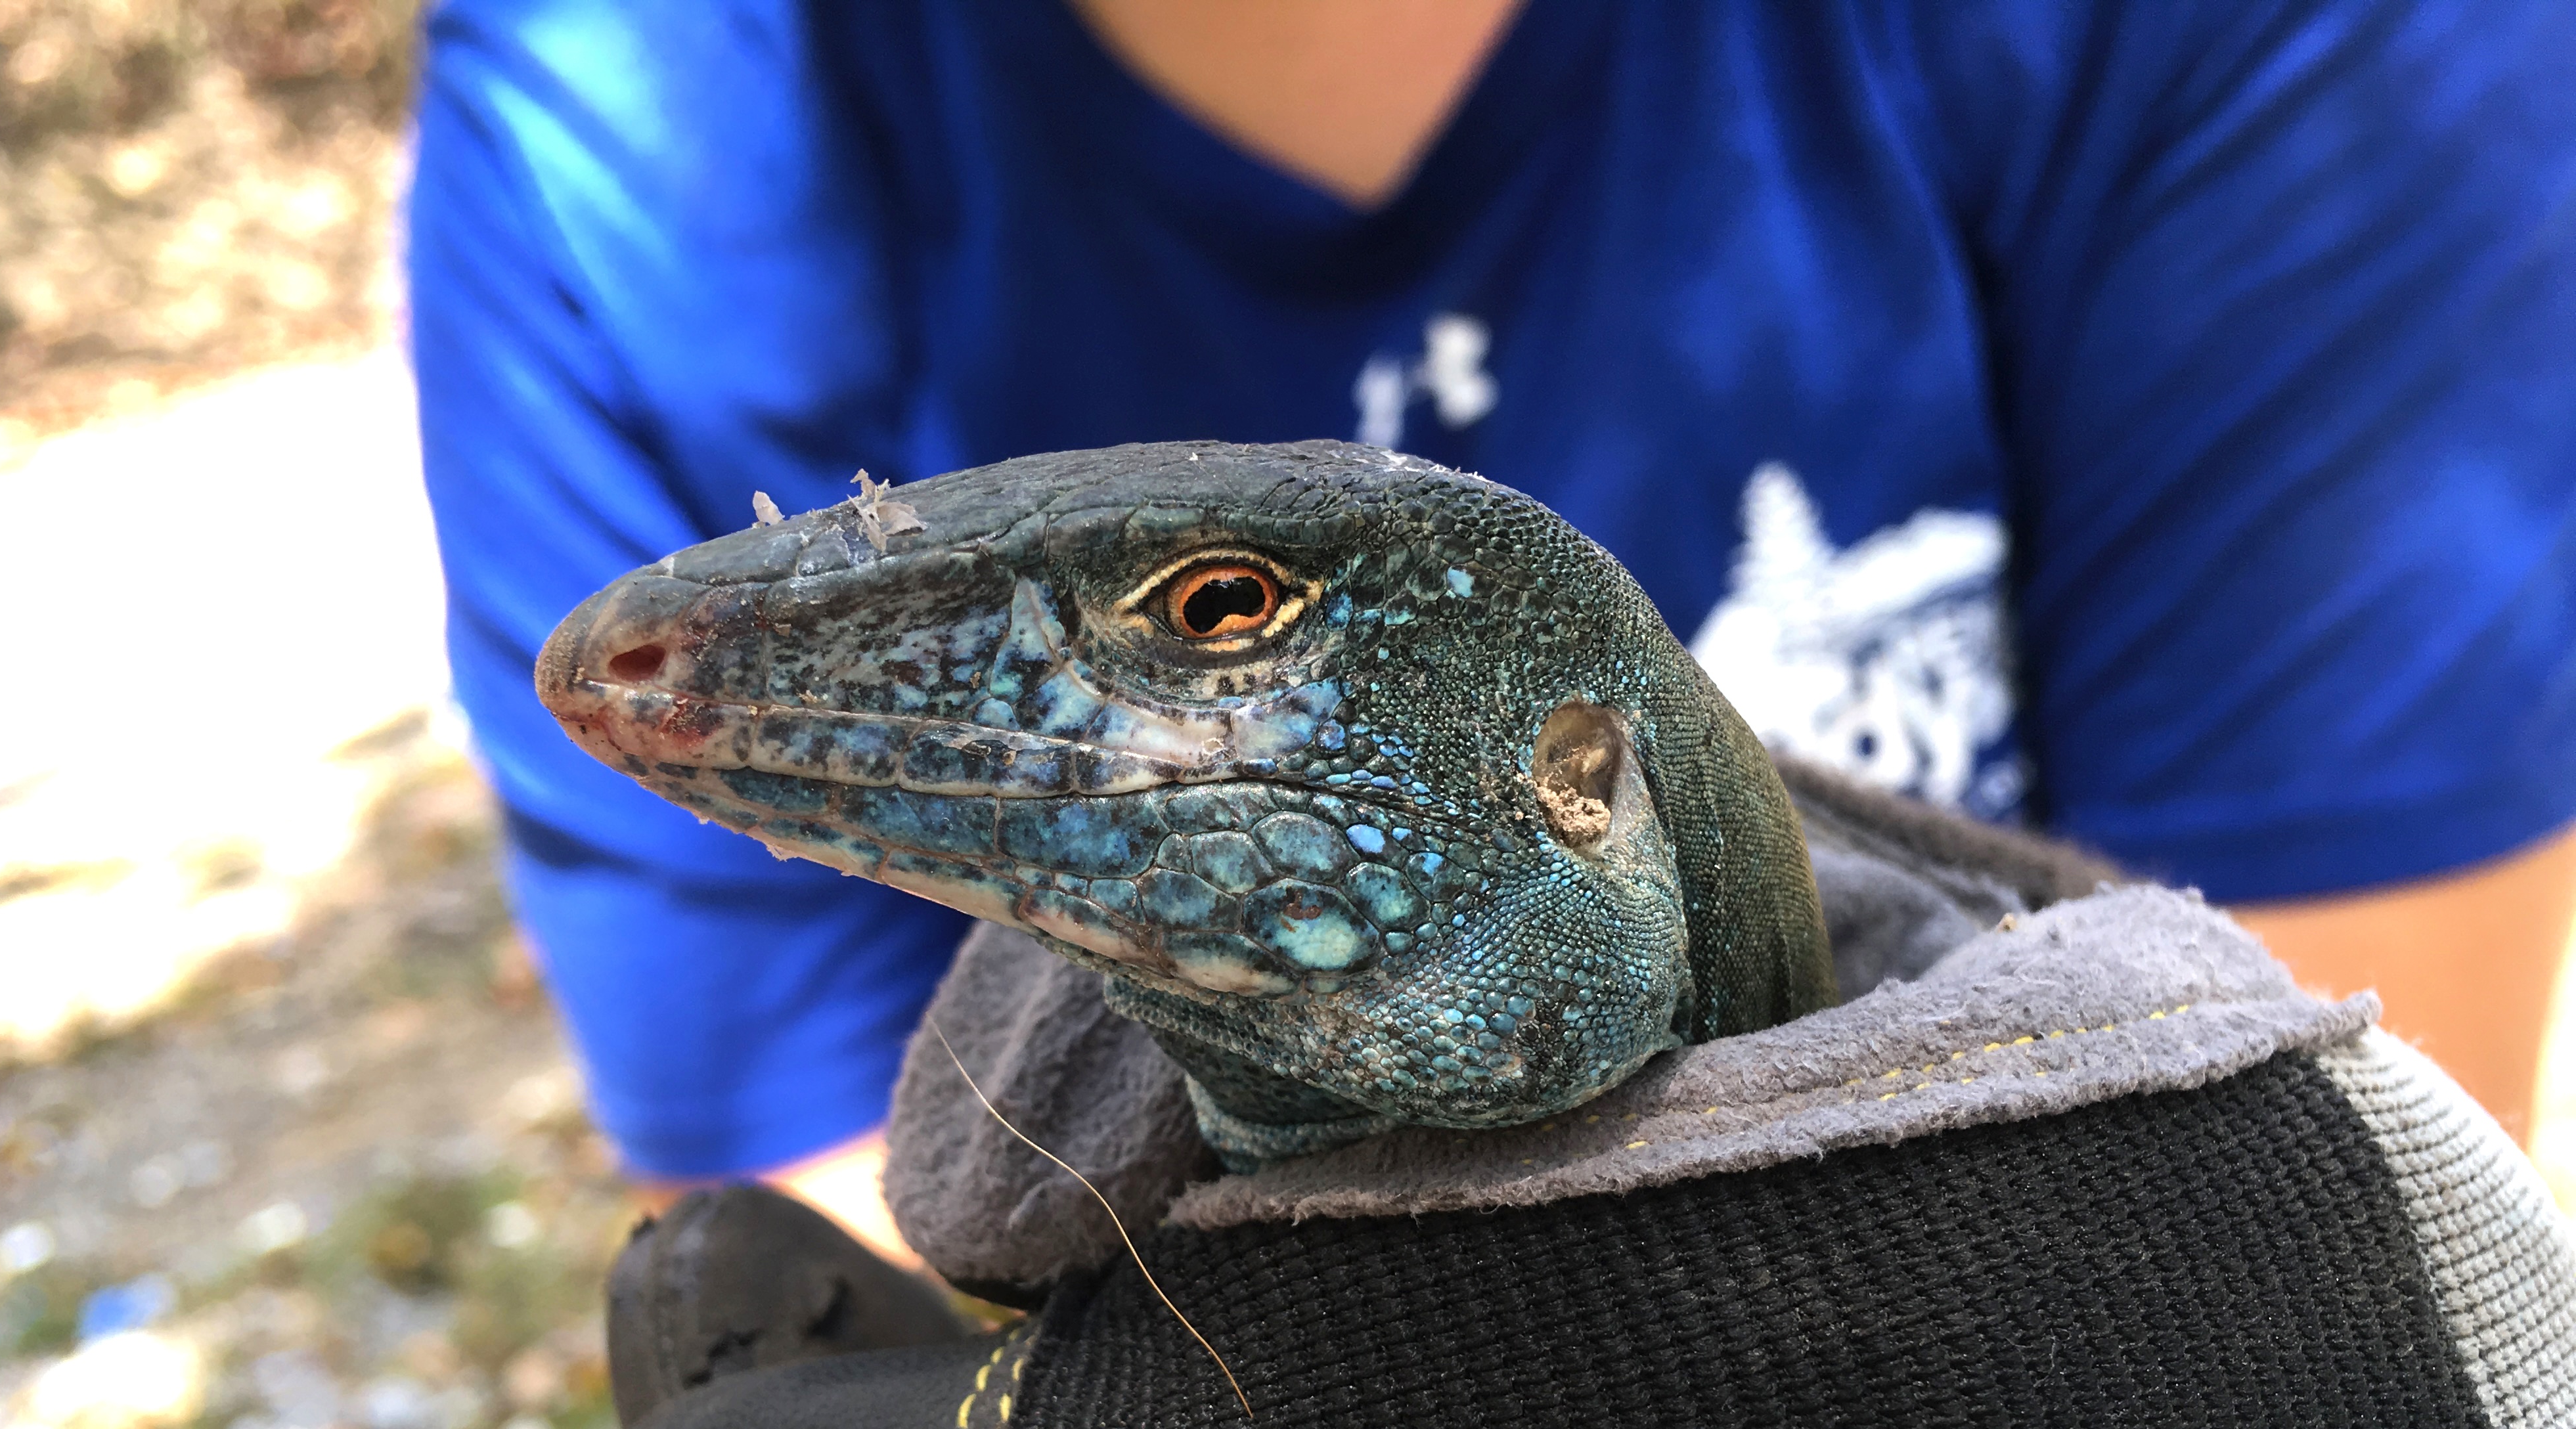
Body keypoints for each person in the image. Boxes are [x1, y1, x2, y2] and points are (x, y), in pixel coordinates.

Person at [407, 0, 2576, 1240]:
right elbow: (829, 1257)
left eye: (1216, 613)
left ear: (1574, 776)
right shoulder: (620, 112)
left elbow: (2357, 1170)